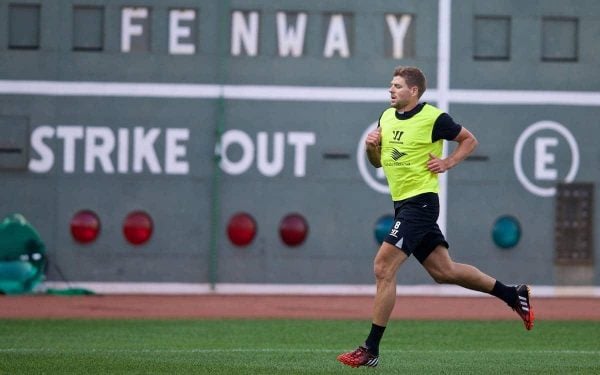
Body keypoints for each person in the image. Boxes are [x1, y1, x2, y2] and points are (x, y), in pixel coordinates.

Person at [337, 66, 534, 368]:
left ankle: (371, 349)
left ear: (413, 91)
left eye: (398, 86)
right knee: (444, 271)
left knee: (382, 267)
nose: (391, 90)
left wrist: (448, 162)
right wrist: (371, 148)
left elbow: (469, 139)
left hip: (421, 205)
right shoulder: (386, 118)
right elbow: (377, 164)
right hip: (403, 205)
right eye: (391, 84)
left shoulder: (433, 117)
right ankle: (512, 294)